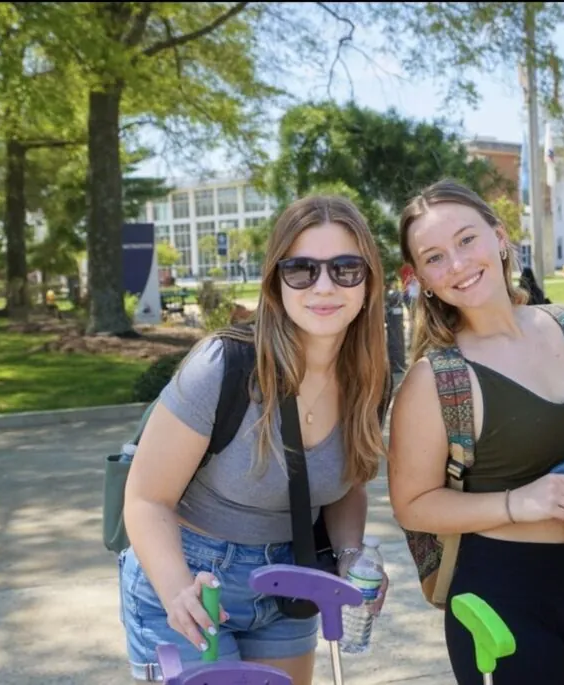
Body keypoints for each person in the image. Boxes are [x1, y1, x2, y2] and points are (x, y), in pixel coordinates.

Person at [119, 195, 390, 683]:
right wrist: (178, 589)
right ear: (276, 283)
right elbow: (145, 498)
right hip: (190, 578)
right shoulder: (223, 365)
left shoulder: (370, 380)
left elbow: (347, 485)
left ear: (369, 282)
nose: (324, 286)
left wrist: (351, 555)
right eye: (301, 270)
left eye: (346, 269)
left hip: (293, 579)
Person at [387, 179, 564, 685]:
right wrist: (519, 502)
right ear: (421, 278)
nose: (457, 264)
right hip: (499, 598)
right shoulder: (435, 379)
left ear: (499, 238)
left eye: (466, 239)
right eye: (434, 257)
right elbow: (413, 505)